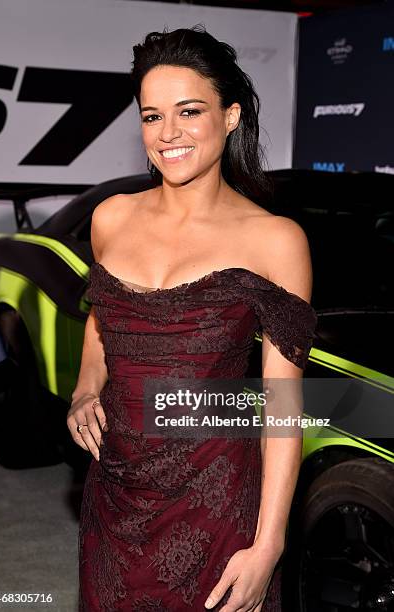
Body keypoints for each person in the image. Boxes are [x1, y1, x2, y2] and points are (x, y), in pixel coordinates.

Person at [68, 24, 317, 611]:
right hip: (115, 494)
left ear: (230, 117)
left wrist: (268, 545)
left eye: (189, 111)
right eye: (152, 116)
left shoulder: (274, 240)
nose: (168, 133)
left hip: (216, 502)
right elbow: (103, 315)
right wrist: (85, 388)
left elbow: (283, 404)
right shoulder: (111, 218)